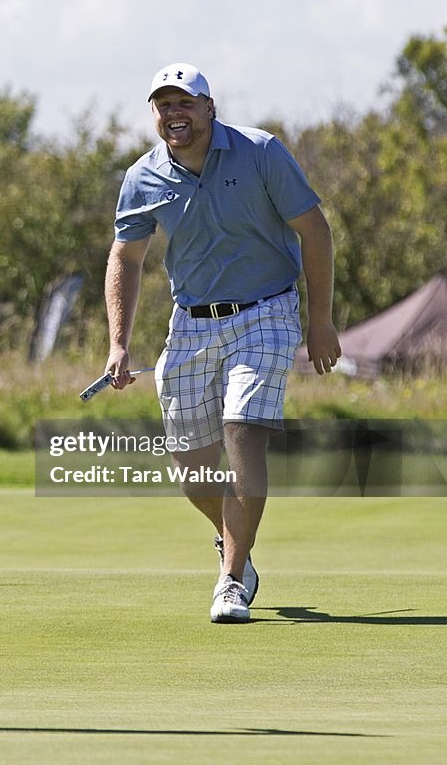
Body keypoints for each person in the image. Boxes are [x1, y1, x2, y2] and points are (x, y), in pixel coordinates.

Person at [104, 62, 340, 624]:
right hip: (190, 324)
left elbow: (314, 229)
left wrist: (323, 321)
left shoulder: (261, 152)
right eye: (163, 105)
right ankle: (238, 544)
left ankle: (230, 580)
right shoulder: (143, 177)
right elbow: (126, 258)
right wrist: (118, 343)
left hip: (267, 310)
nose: (174, 113)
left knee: (243, 431)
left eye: (185, 102)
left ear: (211, 107)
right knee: (191, 465)